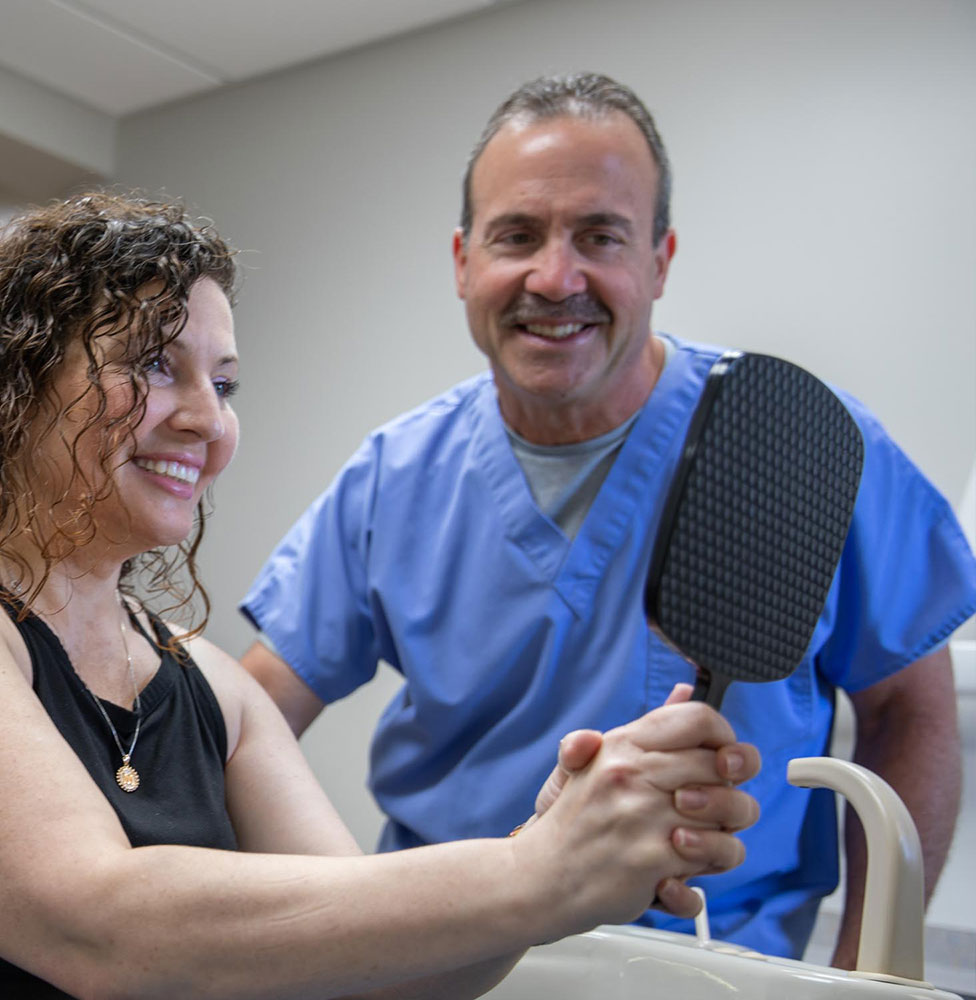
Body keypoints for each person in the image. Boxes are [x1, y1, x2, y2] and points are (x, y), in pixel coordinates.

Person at [0, 192, 761, 999]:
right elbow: (97, 923)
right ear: (11, 384)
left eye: (222, 384)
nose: (204, 420)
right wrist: (529, 873)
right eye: (152, 366)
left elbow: (373, 971)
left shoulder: (213, 692)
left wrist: (556, 863)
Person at [240, 72, 976, 964]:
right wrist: (323, 920)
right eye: (517, 236)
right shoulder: (394, 476)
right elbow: (252, 716)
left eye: (601, 236)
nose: (556, 278)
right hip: (440, 953)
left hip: (718, 967)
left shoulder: (803, 443)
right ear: (464, 260)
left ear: (659, 260)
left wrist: (871, 972)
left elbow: (912, 714)